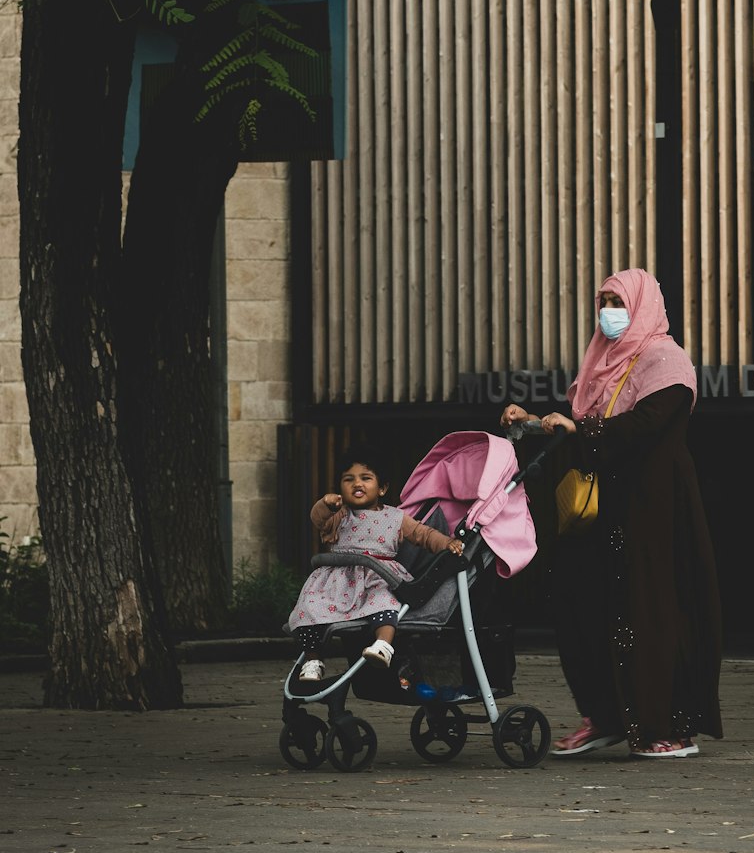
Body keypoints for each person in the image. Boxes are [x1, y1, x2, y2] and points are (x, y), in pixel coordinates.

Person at [501, 268, 723, 758]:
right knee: (583, 605)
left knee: (650, 610)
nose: (607, 311)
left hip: (652, 508)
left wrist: (582, 433)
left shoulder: (667, 360)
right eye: (602, 300)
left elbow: (646, 424)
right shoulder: (601, 363)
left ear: (641, 304)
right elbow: (580, 426)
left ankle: (665, 725)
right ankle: (604, 717)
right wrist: (536, 422)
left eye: (617, 301)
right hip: (603, 508)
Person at [287, 449, 465, 681]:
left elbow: (424, 534)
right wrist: (326, 504)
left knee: (385, 601)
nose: (356, 484)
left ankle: (383, 645)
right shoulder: (339, 515)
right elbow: (317, 518)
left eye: (366, 478)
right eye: (348, 479)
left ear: (382, 488)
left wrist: (447, 543)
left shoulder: (396, 517)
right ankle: (313, 660)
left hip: (377, 576)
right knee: (307, 608)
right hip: (337, 580)